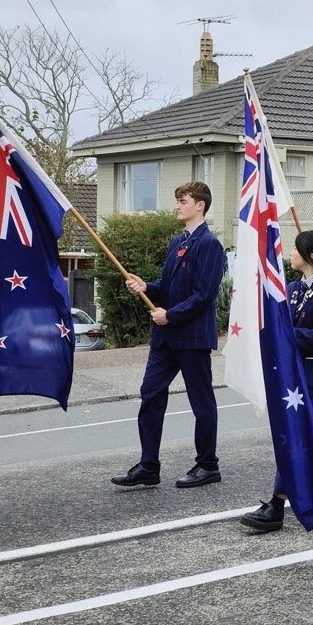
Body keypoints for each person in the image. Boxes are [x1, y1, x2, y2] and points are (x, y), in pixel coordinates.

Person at [112, 182, 225, 489]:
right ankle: (149, 465)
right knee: (150, 393)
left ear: (200, 205)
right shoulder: (177, 242)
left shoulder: (209, 244)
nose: (177, 206)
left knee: (201, 401)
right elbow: (168, 287)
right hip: (165, 338)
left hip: (191, 337)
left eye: (183, 201)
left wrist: (170, 315)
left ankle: (208, 465)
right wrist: (146, 286)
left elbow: (204, 295)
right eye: (177, 200)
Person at [240, 231, 313, 531]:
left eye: (296, 249)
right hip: (293, 378)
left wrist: (288, 336)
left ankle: (277, 503)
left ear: (310, 256)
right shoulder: (291, 289)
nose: (290, 254)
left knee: (300, 440)